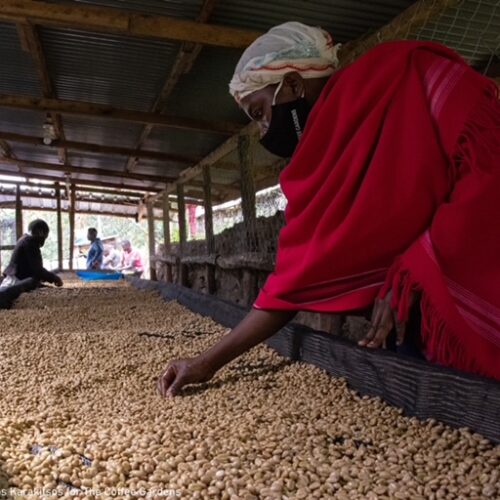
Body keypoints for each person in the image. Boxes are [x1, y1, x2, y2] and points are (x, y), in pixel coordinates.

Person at [158, 22, 500, 397]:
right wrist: (205, 363)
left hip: (473, 295)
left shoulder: (406, 77)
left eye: (259, 112)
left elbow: (489, 166)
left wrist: (419, 265)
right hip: (416, 325)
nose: (263, 130)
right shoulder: (314, 171)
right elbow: (287, 287)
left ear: (291, 84)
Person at [1, 219, 63, 289]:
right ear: (41, 232)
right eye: (45, 235)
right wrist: (54, 278)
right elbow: (38, 270)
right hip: (17, 282)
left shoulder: (24, 239)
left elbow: (33, 269)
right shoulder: (30, 243)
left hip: (14, 279)